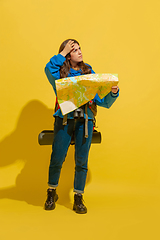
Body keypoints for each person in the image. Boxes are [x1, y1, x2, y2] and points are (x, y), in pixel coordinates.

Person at [44, 39, 119, 214]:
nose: (79, 52)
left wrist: (113, 93)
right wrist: (62, 54)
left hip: (85, 121)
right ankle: (51, 192)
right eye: (73, 49)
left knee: (81, 161)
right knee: (57, 158)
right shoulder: (60, 75)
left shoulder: (89, 72)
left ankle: (78, 197)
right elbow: (49, 70)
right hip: (64, 120)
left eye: (79, 48)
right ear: (67, 55)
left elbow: (102, 101)